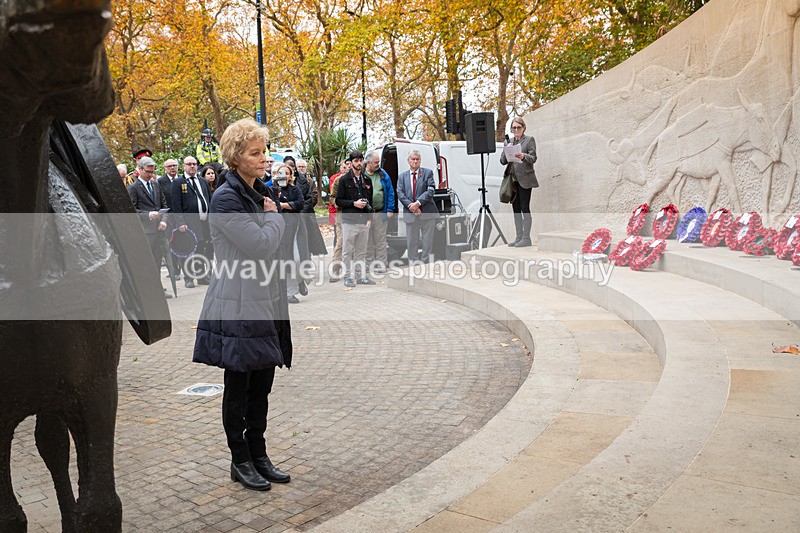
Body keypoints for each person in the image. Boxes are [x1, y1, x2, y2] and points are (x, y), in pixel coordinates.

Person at [193, 118, 291, 492]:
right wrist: (273, 217)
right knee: (239, 385)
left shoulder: (258, 190)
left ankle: (259, 454)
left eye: (264, 150)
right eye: (256, 153)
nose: (265, 158)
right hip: (237, 301)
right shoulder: (226, 197)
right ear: (236, 157)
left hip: (264, 298)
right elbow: (264, 244)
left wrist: (271, 218)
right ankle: (240, 459)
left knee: (261, 384)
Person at [126, 156, 173, 298]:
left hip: (159, 230)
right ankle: (148, 291)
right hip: (146, 232)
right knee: (148, 262)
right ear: (139, 169)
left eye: (152, 172)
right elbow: (132, 211)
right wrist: (147, 215)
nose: (151, 175)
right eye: (147, 172)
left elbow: (164, 206)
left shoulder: (155, 185)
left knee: (158, 260)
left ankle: (157, 288)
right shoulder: (133, 188)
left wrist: (164, 220)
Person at [335, 150, 375, 287]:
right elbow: (338, 201)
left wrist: (369, 217)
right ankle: (347, 277)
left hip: (363, 220)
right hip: (349, 220)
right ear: (350, 162)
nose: (359, 163)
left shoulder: (367, 179)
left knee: (361, 251)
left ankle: (360, 276)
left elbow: (370, 200)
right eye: (356, 161)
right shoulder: (344, 180)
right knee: (347, 251)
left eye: (360, 160)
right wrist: (353, 203)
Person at [172, 156, 212, 287]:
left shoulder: (202, 181)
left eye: (194, 164)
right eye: (189, 164)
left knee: (202, 249)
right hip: (189, 222)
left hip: (204, 221)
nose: (192, 166)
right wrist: (180, 223)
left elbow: (209, 199)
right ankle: (188, 278)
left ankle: (201, 276)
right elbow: (176, 205)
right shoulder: (178, 183)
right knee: (188, 250)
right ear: (184, 166)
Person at [500, 117, 538, 247]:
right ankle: (519, 237)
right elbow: (502, 161)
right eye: (514, 128)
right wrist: (507, 150)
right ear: (511, 129)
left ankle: (526, 238)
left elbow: (533, 158)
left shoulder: (529, 140)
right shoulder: (508, 141)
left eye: (519, 127)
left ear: (523, 128)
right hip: (513, 180)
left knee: (524, 207)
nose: (516, 130)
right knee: (515, 208)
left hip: (525, 178)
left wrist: (523, 156)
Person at [270, 164, 304, 304]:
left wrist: (283, 205)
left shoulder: (295, 189)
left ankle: (300, 280)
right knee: (285, 260)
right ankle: (290, 291)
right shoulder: (272, 189)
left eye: (287, 173)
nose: (284, 176)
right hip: (278, 227)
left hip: (294, 227)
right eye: (281, 173)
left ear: (291, 175)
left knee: (296, 259)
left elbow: (300, 203)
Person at [397, 149, 438, 262]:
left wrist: (418, 203)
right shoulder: (402, 177)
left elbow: (431, 190)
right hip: (410, 213)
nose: (415, 161)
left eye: (417, 159)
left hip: (427, 212)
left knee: (427, 241)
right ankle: (413, 263)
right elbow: (400, 193)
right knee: (411, 241)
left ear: (420, 161)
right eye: (413, 159)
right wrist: (412, 206)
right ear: (408, 161)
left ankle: (425, 263)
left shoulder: (428, 173)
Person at [293, 158, 327, 295]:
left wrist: (302, 210)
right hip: (293, 219)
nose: (301, 168)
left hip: (306, 217)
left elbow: (312, 197)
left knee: (306, 246)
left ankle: (305, 271)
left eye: (303, 166)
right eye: (299, 166)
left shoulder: (309, 182)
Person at [363, 151, 395, 271]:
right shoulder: (361, 175)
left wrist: (390, 209)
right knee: (367, 241)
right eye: (376, 162)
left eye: (378, 162)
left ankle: (382, 264)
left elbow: (390, 192)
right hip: (366, 215)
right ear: (368, 162)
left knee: (381, 241)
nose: (378, 164)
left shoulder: (382, 174)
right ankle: (368, 265)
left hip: (380, 213)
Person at [327, 158, 350, 281]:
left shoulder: (361, 179)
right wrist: (340, 204)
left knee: (358, 244)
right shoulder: (338, 180)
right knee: (340, 243)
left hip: (358, 217)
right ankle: (335, 270)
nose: (348, 167)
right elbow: (332, 197)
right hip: (342, 217)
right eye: (346, 165)